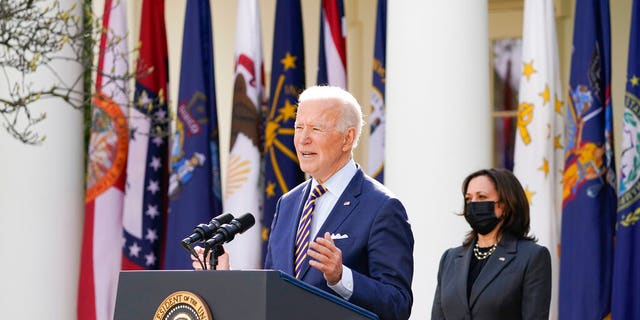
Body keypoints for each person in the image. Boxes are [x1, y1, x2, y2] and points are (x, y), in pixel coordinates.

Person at [192, 85, 414, 320]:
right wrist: (223, 278)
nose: (303, 139)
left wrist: (341, 277)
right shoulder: (288, 202)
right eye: (299, 127)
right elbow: (274, 293)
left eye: (316, 128)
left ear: (347, 138)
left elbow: (398, 305)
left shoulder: (382, 207)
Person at [431, 168, 551, 319]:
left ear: (505, 205)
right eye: (468, 199)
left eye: (481, 197)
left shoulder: (532, 257)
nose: (473, 203)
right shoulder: (449, 258)